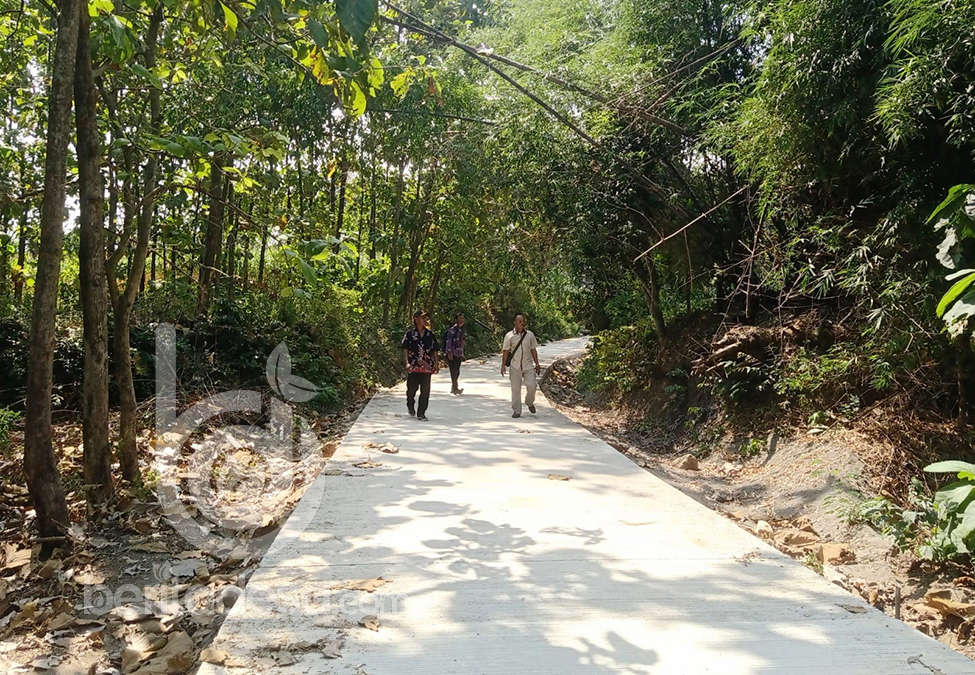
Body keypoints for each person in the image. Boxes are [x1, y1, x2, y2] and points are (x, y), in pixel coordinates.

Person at [500, 313, 541, 418]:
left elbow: (533, 350)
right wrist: (503, 365)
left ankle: (529, 402)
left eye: (523, 321)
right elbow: (505, 351)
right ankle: (516, 410)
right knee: (515, 389)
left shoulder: (530, 335)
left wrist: (537, 363)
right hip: (515, 365)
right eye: (520, 321)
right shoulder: (509, 336)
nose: (522, 323)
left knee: (532, 385)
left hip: (528, 365)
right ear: (515, 323)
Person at [401, 309, 439, 421]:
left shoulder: (430, 335)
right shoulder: (409, 334)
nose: (425, 319)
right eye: (422, 317)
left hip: (427, 367)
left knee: (425, 391)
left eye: (425, 317)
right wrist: (407, 362)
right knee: (411, 390)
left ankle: (421, 413)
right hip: (414, 366)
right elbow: (405, 348)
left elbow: (435, 350)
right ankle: (410, 404)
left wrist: (436, 363)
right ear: (416, 319)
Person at [443, 313, 467, 395]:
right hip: (452, 353)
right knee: (454, 371)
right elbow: (449, 340)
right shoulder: (453, 329)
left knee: (457, 371)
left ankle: (454, 387)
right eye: (460, 318)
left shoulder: (460, 330)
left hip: (458, 353)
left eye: (463, 318)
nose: (462, 320)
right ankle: (455, 388)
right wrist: (449, 352)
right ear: (456, 320)